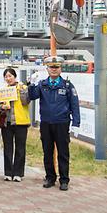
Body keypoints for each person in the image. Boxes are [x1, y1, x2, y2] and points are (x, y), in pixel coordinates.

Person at [28, 56, 80, 191]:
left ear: (60, 69)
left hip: (62, 123)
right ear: (47, 69)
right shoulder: (42, 84)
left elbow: (75, 105)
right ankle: (50, 177)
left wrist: (76, 123)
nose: (54, 70)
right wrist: (31, 83)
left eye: (56, 67)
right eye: (51, 67)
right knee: (47, 151)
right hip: (46, 123)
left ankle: (64, 180)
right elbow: (32, 96)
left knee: (63, 152)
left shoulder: (67, 85)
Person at [0, 67, 31, 182]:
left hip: (21, 122)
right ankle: (8, 172)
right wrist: (2, 107)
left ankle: (18, 173)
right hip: (7, 123)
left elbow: (26, 102)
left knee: (20, 148)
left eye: (10, 76)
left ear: (15, 76)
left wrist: (21, 90)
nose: (8, 78)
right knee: (7, 148)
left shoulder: (23, 88)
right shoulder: (3, 90)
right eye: (6, 76)